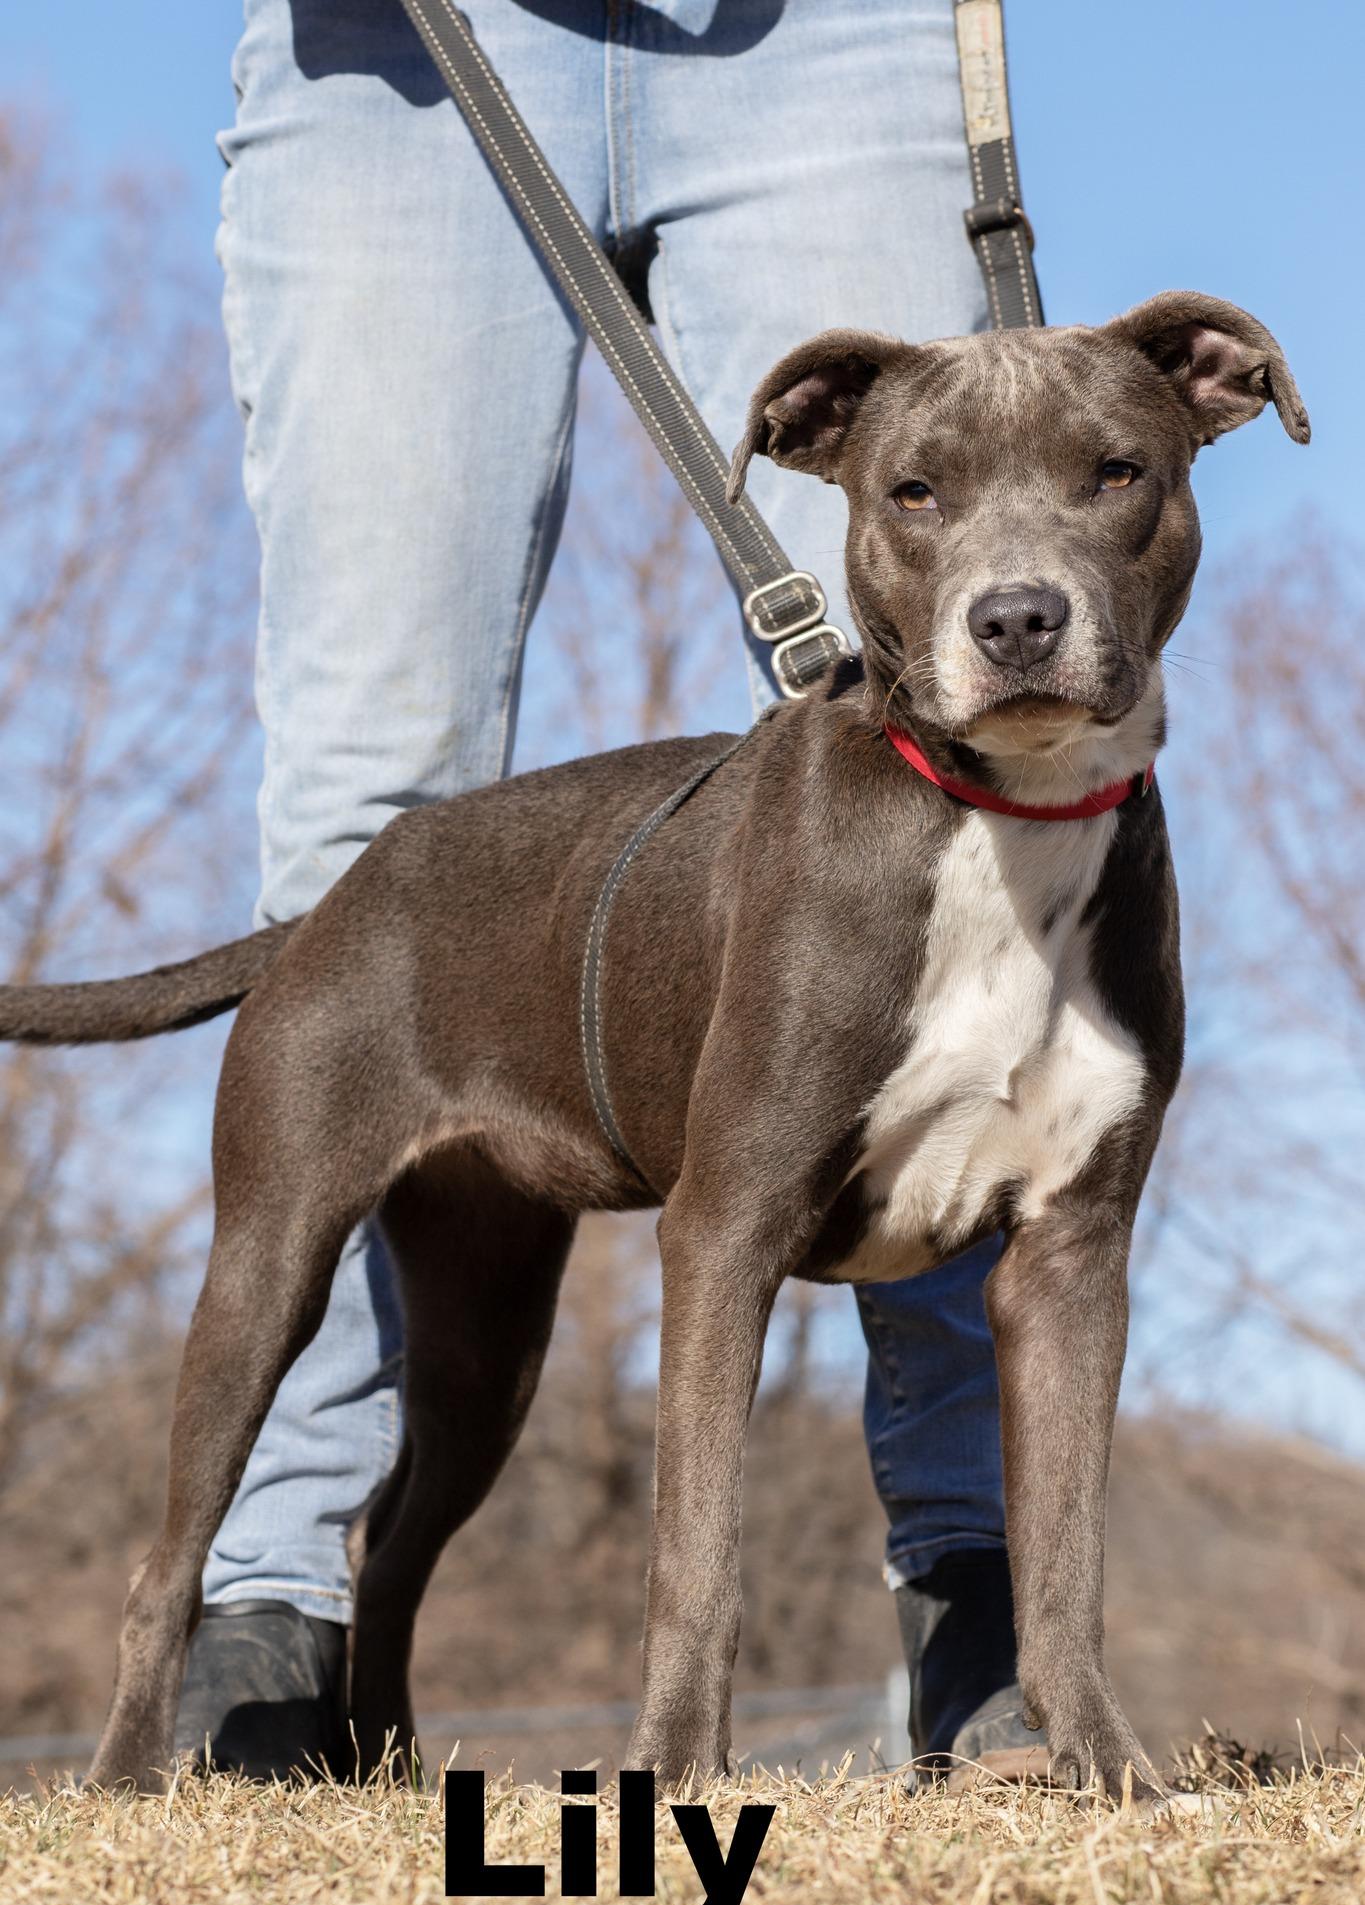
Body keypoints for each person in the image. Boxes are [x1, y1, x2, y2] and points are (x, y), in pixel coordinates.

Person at [176, 0, 1037, 1780]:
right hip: (395, 55)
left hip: (829, 40)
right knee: (373, 796)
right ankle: (272, 1605)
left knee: (954, 770)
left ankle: (975, 1595)